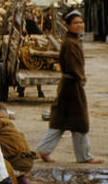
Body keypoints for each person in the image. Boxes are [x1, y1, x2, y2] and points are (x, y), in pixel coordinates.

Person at [37, 11, 103, 164]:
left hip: (70, 85)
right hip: (72, 86)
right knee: (80, 122)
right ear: (67, 26)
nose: (79, 25)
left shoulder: (73, 41)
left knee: (61, 120)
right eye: (75, 23)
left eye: (81, 22)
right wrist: (81, 77)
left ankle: (44, 149)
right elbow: (73, 66)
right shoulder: (70, 43)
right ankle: (84, 157)